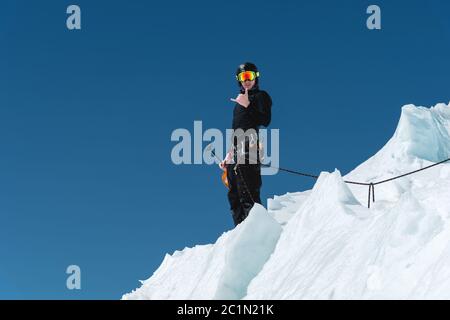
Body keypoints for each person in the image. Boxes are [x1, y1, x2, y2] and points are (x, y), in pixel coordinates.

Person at [219, 62, 272, 226]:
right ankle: (241, 233)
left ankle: (257, 230)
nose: (246, 80)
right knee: (234, 196)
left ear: (256, 77)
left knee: (248, 193)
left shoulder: (260, 96)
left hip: (250, 151)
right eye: (243, 77)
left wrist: (248, 105)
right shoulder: (239, 102)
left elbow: (265, 120)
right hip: (237, 153)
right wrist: (229, 155)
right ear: (239, 80)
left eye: (249, 76)